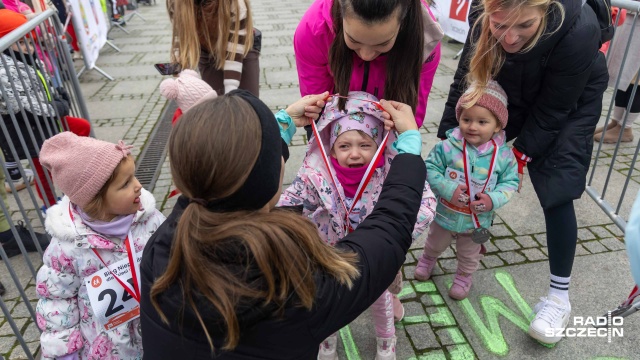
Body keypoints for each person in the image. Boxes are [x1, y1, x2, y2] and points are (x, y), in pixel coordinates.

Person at [139, 90, 426, 359]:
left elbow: (234, 165)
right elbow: (388, 232)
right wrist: (410, 148)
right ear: (267, 179)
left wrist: (284, 122)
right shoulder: (295, 284)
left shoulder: (160, 246)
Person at [436, 0, 608, 345]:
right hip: (509, 86)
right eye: (499, 26)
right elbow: (464, 81)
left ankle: (559, 298)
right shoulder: (481, 13)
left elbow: (552, 110)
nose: (510, 38)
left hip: (569, 101)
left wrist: (518, 155)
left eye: (524, 26)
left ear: (544, 10)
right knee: (464, 153)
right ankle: (468, 229)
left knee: (558, 184)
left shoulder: (580, 30)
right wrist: (446, 142)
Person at [278, 91, 436, 359]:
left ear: (379, 146)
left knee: (380, 300)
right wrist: (297, 234)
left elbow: (425, 204)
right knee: (326, 302)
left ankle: (387, 344)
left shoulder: (388, 174)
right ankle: (326, 344)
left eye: (365, 145)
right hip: (330, 254)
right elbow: (290, 202)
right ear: (330, 148)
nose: (354, 153)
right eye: (344, 145)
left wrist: (394, 238)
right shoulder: (317, 174)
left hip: (374, 256)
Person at [35, 133, 165, 359]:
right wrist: (65, 352)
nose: (138, 186)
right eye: (125, 183)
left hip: (156, 329)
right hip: (107, 347)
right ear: (95, 199)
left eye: (133, 177)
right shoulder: (67, 248)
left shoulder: (151, 220)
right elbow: (56, 301)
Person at [414, 80, 518, 300]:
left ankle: (463, 276)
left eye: (482, 121)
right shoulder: (446, 147)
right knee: (435, 243)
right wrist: (447, 188)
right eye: (466, 119)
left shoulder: (504, 156)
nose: (472, 126)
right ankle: (427, 259)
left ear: (497, 125)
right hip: (445, 214)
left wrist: (492, 199)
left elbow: (510, 183)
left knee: (469, 254)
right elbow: (430, 168)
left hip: (477, 221)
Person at [294, 0, 444, 137]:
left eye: (382, 44)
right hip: (335, 131)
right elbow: (316, 106)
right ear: (341, 9)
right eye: (353, 40)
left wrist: (406, 140)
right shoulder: (313, 30)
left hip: (389, 132)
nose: (366, 55)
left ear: (403, 20)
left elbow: (412, 111)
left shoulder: (426, 39)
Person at [0, 10, 91, 210]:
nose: (29, 48)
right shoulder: (5, 70)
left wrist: (58, 95)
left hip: (48, 121)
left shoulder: (30, 60)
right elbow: (26, 105)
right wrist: (58, 106)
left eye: (31, 42)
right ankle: (50, 207)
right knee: (42, 170)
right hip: (29, 130)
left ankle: (78, 179)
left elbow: (44, 86)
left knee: (82, 127)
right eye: (22, 43)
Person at [166, 0, 259, 96]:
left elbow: (234, 53)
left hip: (241, 49)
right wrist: (179, 63)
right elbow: (180, 34)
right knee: (214, 101)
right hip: (207, 50)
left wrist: (230, 91)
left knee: (247, 101)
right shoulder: (176, 2)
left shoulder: (236, 4)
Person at [594, 3, 640, 144]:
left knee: (636, 79)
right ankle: (617, 122)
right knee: (624, 75)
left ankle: (625, 127)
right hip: (633, 21)